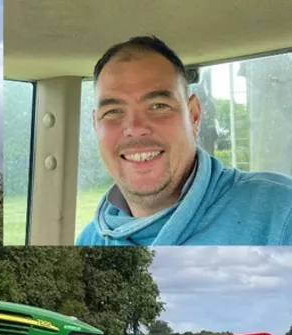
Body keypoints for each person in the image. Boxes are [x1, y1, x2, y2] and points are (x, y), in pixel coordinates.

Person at [76, 35, 292, 246]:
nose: (135, 128)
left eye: (158, 106)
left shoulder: (280, 213)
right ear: (96, 125)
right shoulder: (88, 243)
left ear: (194, 116)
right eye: (113, 111)